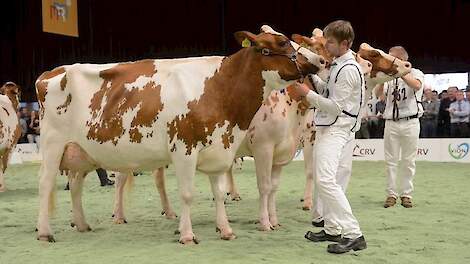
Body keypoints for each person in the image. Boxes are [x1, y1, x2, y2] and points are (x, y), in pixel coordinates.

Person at [290, 20, 366, 254]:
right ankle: (333, 228)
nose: (327, 46)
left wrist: (306, 94)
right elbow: (329, 91)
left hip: (335, 128)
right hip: (335, 128)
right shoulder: (340, 66)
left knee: (325, 180)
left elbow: (335, 106)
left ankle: (354, 234)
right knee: (327, 180)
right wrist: (314, 80)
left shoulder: (348, 70)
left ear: (345, 43)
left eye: (330, 42)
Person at [375, 46, 424, 208]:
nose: (388, 61)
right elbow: (379, 96)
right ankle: (391, 194)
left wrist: (401, 73)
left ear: (400, 59)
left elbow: (416, 86)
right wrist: (382, 79)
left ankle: (406, 194)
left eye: (391, 58)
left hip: (410, 121)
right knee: (391, 161)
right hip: (391, 122)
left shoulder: (416, 73)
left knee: (408, 160)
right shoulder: (389, 77)